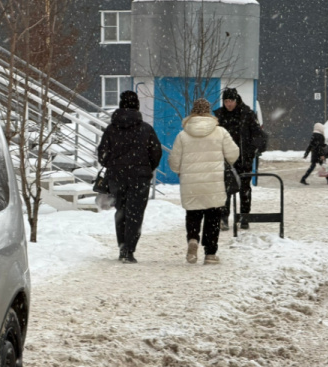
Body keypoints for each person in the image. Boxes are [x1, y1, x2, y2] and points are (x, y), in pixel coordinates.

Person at [169, 98, 239, 265]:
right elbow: (233, 154)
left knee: (193, 213)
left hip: (191, 182)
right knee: (213, 216)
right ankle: (210, 253)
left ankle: (193, 240)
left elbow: (173, 162)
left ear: (193, 113)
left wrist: (181, 171)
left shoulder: (183, 135)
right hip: (213, 182)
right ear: (209, 113)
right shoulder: (220, 132)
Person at [97, 90, 163, 264]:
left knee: (121, 211)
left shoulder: (111, 129)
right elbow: (156, 152)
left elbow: (102, 154)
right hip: (139, 177)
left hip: (116, 177)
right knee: (135, 213)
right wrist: (147, 167)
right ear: (137, 106)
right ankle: (129, 249)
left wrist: (113, 164)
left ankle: (122, 246)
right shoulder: (146, 129)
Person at [214, 88, 265, 230]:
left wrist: (252, 151)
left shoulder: (247, 114)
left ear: (236, 101)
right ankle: (223, 218)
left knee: (245, 189)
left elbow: (258, 135)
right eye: (225, 101)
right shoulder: (218, 116)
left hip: (244, 159)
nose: (228, 104)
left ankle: (244, 217)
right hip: (225, 159)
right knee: (225, 189)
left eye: (230, 101)